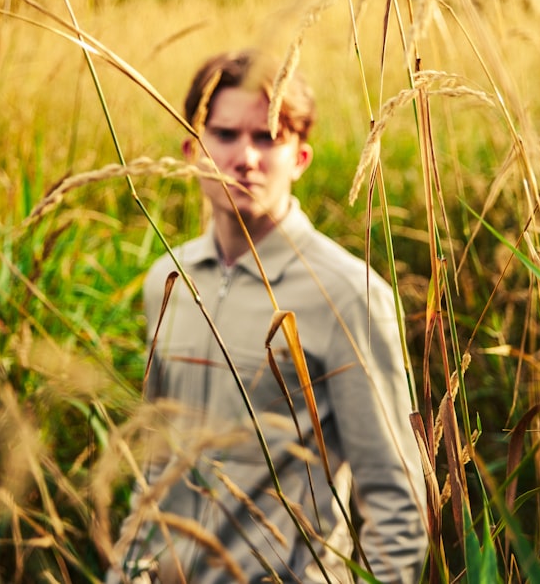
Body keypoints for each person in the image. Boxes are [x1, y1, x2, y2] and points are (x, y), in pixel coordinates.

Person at [109, 49, 427, 583]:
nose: (246, 158)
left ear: (299, 157)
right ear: (193, 150)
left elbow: (396, 502)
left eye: (267, 137)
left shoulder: (348, 294)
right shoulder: (168, 281)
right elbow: (158, 466)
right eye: (226, 135)